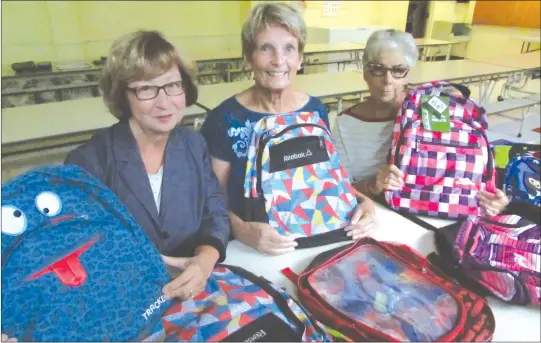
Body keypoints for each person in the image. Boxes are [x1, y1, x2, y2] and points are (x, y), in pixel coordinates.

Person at [64, 30, 230, 300]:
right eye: (146, 89)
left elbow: (215, 215)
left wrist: (204, 260)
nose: (164, 102)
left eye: (173, 85)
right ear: (123, 96)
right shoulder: (89, 162)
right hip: (122, 300)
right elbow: (78, 251)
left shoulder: (193, 144)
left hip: (191, 290)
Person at [200, 3, 376, 256]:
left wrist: (362, 200)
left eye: (289, 49)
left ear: (300, 58)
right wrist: (241, 230)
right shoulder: (224, 119)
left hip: (316, 238)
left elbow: (325, 179)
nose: (279, 61)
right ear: (248, 57)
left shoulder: (314, 111)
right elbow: (213, 201)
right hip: (254, 249)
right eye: (266, 48)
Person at [333, 29, 508, 216]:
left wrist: (492, 198)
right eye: (377, 69)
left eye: (398, 70)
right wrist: (372, 186)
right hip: (372, 213)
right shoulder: (347, 123)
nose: (387, 80)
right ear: (365, 73)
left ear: (408, 74)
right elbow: (338, 189)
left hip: (431, 211)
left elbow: (456, 163)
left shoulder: (432, 108)